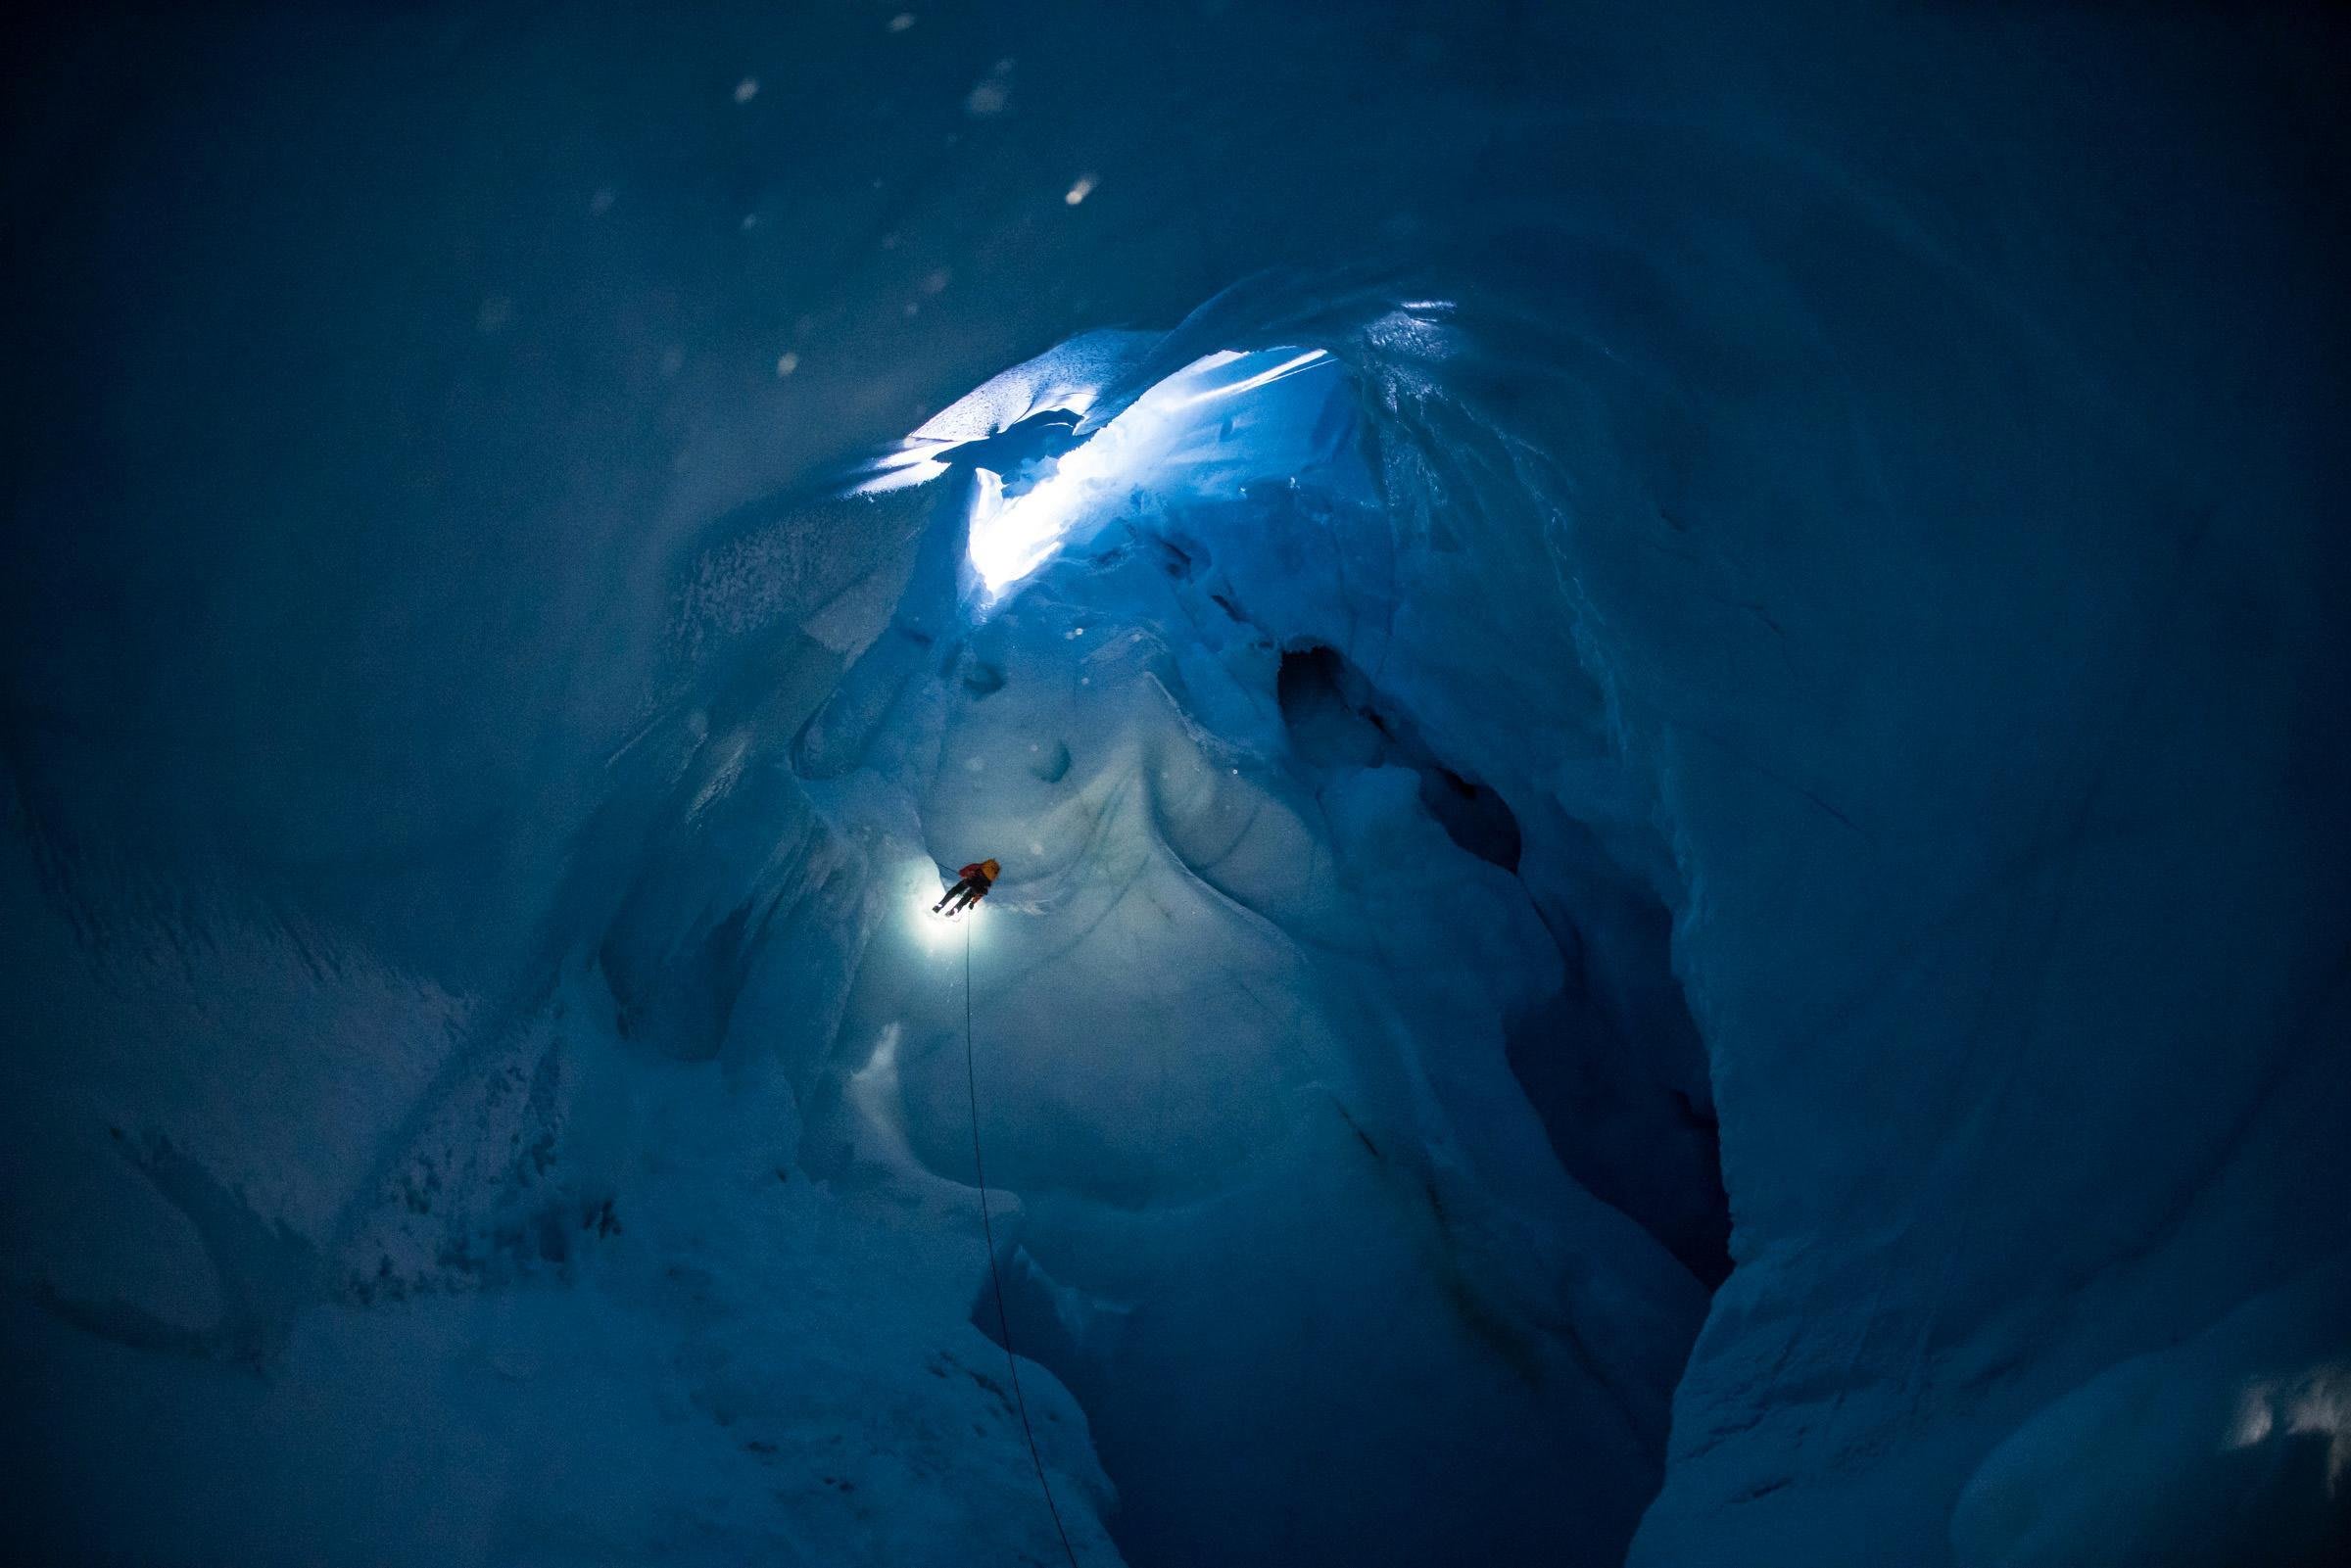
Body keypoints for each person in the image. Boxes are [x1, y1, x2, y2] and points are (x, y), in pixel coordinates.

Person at [934, 858, 1000, 918]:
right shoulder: (990, 879)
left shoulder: (979, 866)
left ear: (987, 863)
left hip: (970, 880)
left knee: (955, 890)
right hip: (977, 888)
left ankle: (939, 906)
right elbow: (981, 892)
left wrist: (963, 874)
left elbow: (963, 871)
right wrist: (973, 902)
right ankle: (952, 912)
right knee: (967, 897)